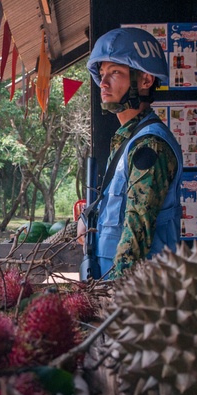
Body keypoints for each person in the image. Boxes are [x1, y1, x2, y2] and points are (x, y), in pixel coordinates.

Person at [79, 26, 183, 280]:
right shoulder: (128, 139)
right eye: (101, 73)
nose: (102, 83)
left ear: (145, 80)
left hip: (138, 295)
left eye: (115, 72)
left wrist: (116, 297)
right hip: (112, 283)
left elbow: (137, 231)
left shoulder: (149, 146)